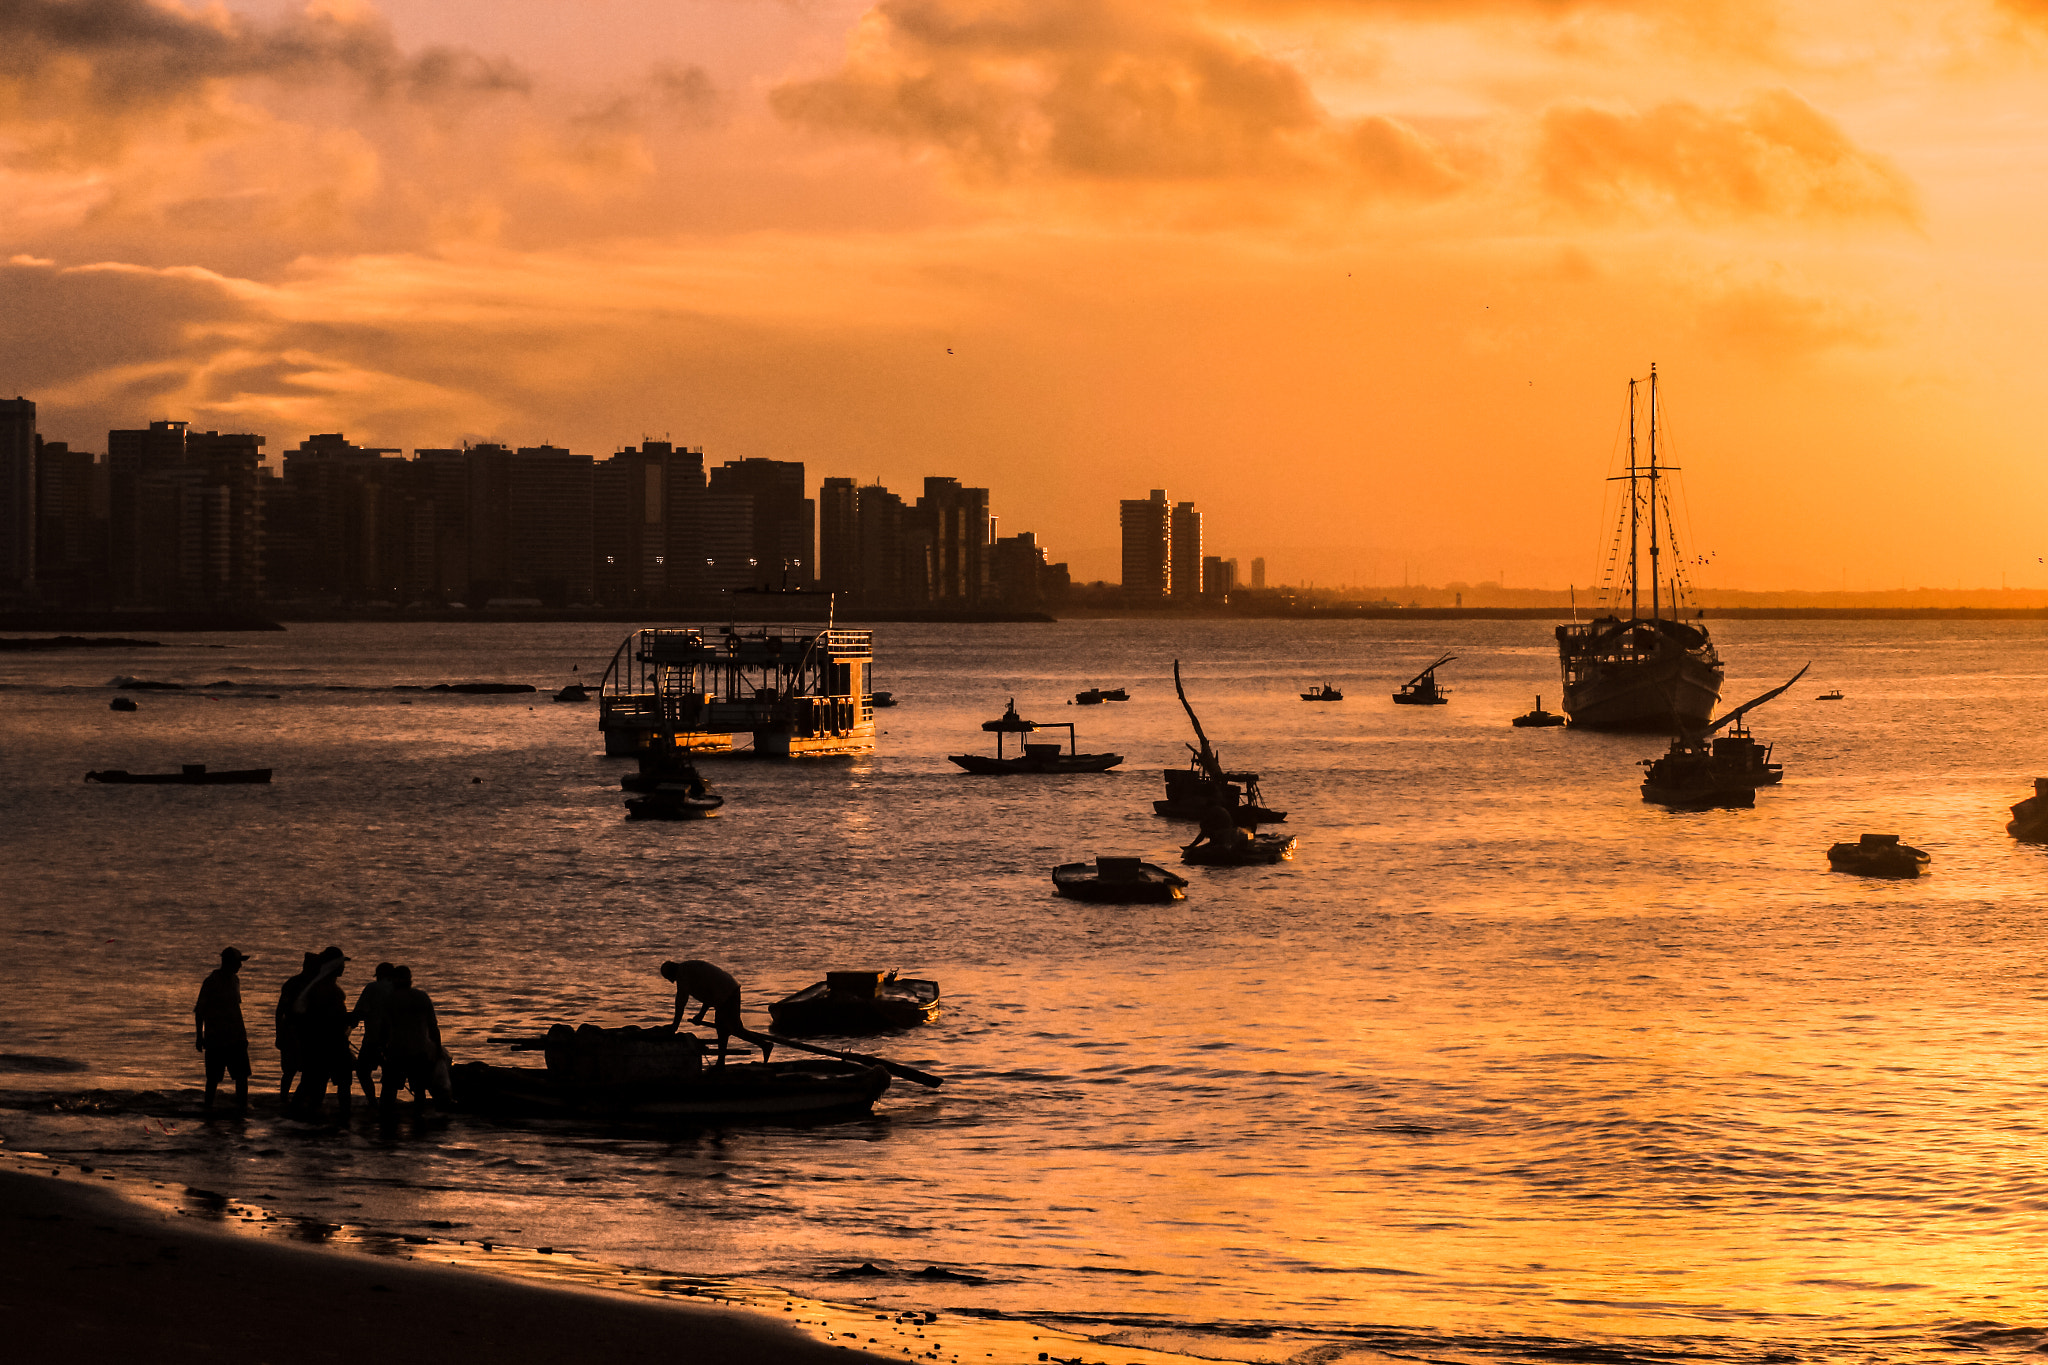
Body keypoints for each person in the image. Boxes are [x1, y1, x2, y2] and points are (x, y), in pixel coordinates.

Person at [289, 946, 353, 1120]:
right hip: (331, 1043)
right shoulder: (328, 990)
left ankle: (299, 1115)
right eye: (341, 965)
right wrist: (350, 1019)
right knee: (342, 1081)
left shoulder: (317, 986)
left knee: (312, 1081)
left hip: (315, 1043)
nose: (343, 968)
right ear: (335, 966)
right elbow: (331, 1019)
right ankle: (344, 1117)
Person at [660, 959, 764, 1065]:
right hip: (724, 992)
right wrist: (701, 1015)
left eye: (669, 978)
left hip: (727, 993)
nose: (672, 981)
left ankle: (764, 1045)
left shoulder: (683, 974)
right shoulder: (686, 968)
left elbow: (681, 1002)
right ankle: (720, 1063)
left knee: (735, 1029)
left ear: (672, 973)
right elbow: (708, 993)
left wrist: (675, 1025)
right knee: (722, 1029)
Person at [379, 965, 445, 1115]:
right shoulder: (422, 997)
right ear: (410, 980)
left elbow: (383, 1029)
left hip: (396, 1051)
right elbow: (433, 1027)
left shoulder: (390, 1000)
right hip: (420, 1050)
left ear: (393, 981)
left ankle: (386, 1122)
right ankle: (419, 1121)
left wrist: (381, 1049)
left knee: (389, 1089)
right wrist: (438, 1050)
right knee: (419, 1089)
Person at [194, 947, 252, 1112]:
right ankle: (208, 1108)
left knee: (242, 1077)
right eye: (238, 963)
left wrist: (243, 1036)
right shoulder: (211, 982)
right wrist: (199, 1037)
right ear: (229, 963)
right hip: (216, 1038)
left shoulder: (235, 980)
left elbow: (236, 1009)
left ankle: (242, 1107)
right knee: (213, 1079)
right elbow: (199, 1011)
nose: (240, 966)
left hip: (237, 1037)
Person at [349, 963, 399, 1102]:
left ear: (380, 975)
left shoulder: (372, 988)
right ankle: (387, 1104)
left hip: (373, 1038)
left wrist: (351, 1022)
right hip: (396, 1042)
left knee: (363, 1071)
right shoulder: (400, 989)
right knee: (390, 1075)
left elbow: (360, 1011)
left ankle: (372, 1101)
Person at [273, 950, 318, 1098]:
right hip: (291, 1032)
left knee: (308, 1070)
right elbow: (280, 1011)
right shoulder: (293, 984)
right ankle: (284, 1098)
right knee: (290, 1071)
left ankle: (297, 1098)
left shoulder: (316, 984)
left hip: (308, 1033)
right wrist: (279, 1034)